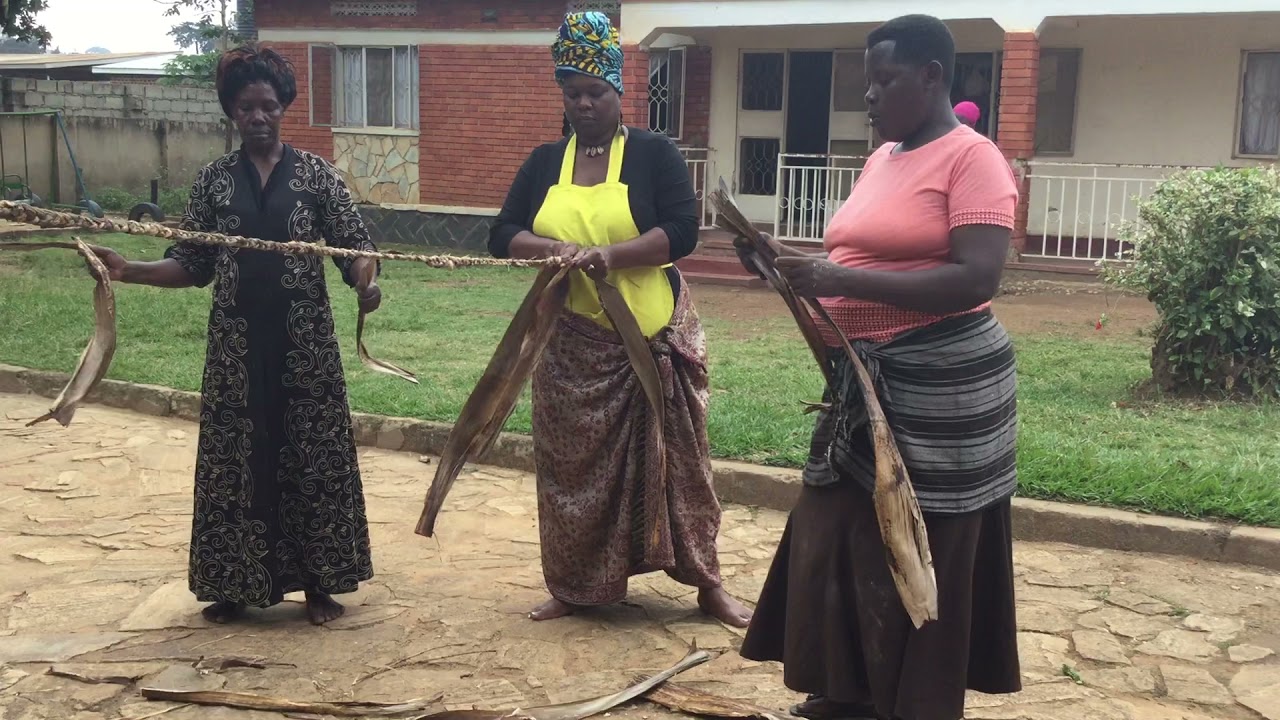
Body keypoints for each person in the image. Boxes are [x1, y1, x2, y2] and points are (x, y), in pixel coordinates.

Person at [738, 15, 1021, 720]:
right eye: (867, 79)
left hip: (942, 388)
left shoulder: (973, 158)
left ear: (931, 77)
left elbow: (977, 278)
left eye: (884, 79)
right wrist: (782, 265)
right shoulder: (882, 159)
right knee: (834, 530)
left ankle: (916, 704)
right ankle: (850, 690)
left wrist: (839, 278)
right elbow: (859, 259)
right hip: (863, 382)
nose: (868, 95)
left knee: (923, 546)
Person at [87, 47, 379, 626]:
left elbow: (355, 248)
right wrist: (132, 270)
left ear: (284, 107)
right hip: (236, 352)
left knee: (312, 458)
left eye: (268, 105)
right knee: (236, 462)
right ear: (232, 112)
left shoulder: (317, 175)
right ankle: (232, 584)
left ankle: (320, 585)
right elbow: (192, 263)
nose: (258, 116)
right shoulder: (214, 183)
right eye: (246, 107)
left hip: (306, 349)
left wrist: (366, 281)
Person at [488, 11, 752, 628]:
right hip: (569, 346)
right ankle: (577, 586)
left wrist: (610, 257)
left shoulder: (654, 155)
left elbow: (682, 232)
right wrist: (550, 251)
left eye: (595, 93)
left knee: (683, 469)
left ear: (618, 92)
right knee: (570, 472)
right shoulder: (544, 161)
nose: (583, 104)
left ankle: (708, 587)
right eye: (572, 92)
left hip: (650, 340)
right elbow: (500, 233)